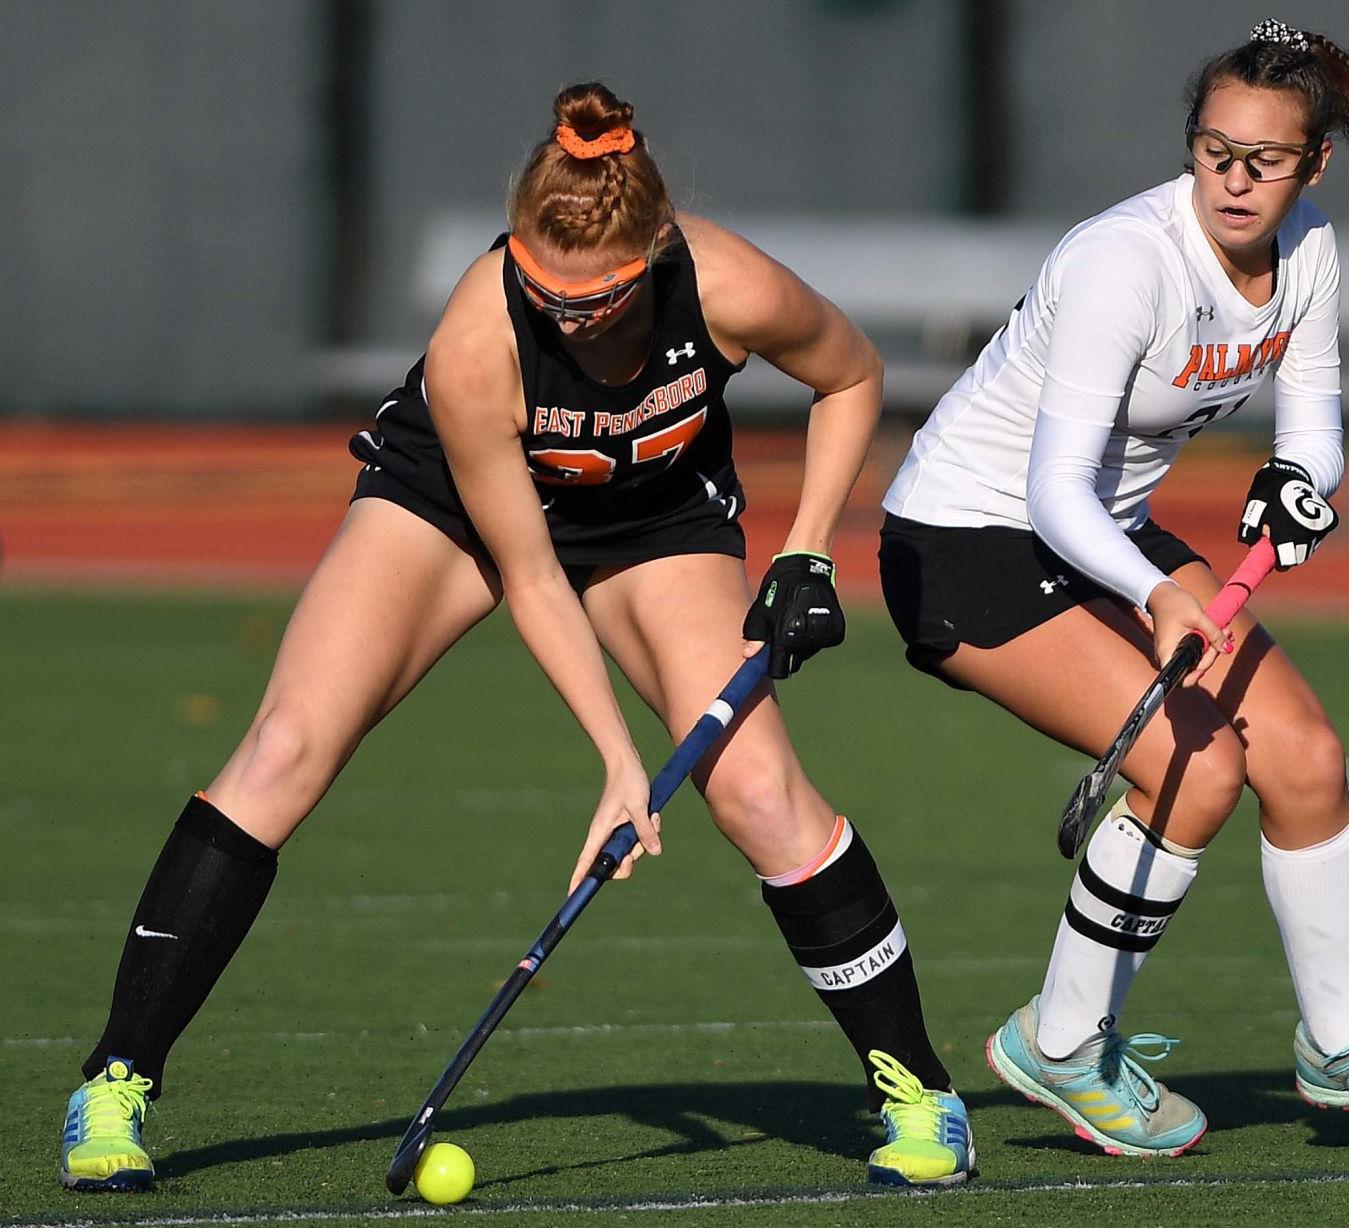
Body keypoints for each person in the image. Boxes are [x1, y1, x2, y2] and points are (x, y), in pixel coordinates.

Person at [60, 82, 974, 1193]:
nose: (568, 320)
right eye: (545, 293)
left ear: (655, 249)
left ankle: (919, 1092)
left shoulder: (725, 283)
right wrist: (617, 761)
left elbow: (850, 374)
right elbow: (532, 572)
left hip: (653, 519)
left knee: (761, 793)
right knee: (286, 746)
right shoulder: (476, 342)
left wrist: (809, 549)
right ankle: (116, 1078)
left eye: (598, 299)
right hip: (452, 505)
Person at [878, 19, 1349, 1157]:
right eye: (1213, 151)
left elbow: (1313, 429)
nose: (1232, 181)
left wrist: (1296, 486)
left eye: (1263, 160)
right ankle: (1061, 1041)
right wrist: (1157, 591)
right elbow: (1050, 490)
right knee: (1196, 770)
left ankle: (1343, 1044)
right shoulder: (1125, 261)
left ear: (1313, 165)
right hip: (966, 539)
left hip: (1103, 532)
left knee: (1305, 758)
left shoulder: (1309, 249)